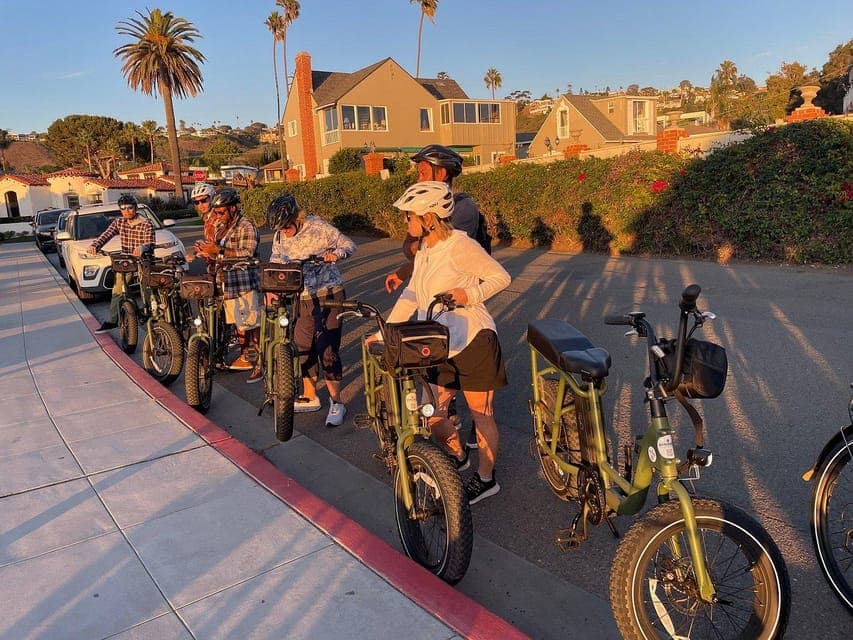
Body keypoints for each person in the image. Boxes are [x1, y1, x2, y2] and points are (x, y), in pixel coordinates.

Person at [377, 181, 511, 505]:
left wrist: (470, 294)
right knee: (433, 413)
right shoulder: (424, 249)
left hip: (472, 340)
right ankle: (458, 457)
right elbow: (412, 295)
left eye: (410, 216)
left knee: (481, 414)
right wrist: (386, 331)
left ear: (430, 218)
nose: (406, 222)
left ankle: (485, 478)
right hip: (435, 343)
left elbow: (501, 277)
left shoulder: (461, 246)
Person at [384, 144, 491, 449]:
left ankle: (464, 425)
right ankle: (447, 419)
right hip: (432, 300)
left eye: (421, 171)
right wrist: (405, 272)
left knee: (460, 366)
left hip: (458, 302)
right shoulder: (424, 206)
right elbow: (424, 253)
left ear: (440, 173)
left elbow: (443, 251)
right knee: (434, 361)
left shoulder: (462, 209)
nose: (415, 177)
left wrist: (417, 251)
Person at [266, 194, 356, 427]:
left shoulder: (318, 227)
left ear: (297, 218)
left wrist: (335, 254)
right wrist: (272, 288)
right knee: (304, 345)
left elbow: (348, 244)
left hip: (328, 294)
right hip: (301, 296)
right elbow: (276, 259)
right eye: (279, 228)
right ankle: (310, 395)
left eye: (286, 226)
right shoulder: (279, 234)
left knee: (327, 347)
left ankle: (337, 402)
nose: (284, 231)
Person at [193, 188, 262, 382]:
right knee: (239, 326)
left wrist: (219, 250)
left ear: (233, 208)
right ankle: (247, 357)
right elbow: (217, 253)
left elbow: (247, 252)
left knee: (250, 325)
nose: (217, 216)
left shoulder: (245, 225)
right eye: (215, 212)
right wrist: (206, 251)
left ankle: (259, 363)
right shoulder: (220, 227)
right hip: (227, 283)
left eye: (221, 212)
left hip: (244, 282)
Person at [89, 194, 155, 334]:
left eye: (130, 208)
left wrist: (142, 248)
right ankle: (114, 320)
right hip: (127, 261)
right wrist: (95, 246)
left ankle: (150, 314)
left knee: (147, 287)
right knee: (118, 289)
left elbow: (150, 243)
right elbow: (106, 234)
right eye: (123, 208)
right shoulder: (119, 222)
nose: (126, 211)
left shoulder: (146, 223)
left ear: (135, 208)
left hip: (143, 260)